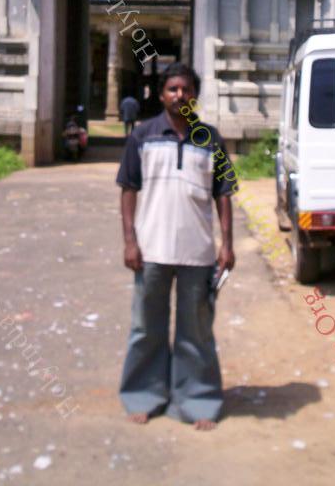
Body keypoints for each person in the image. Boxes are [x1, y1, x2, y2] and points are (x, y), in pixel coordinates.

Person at [116, 63, 236, 430]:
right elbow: (128, 191)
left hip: (197, 253)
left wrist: (226, 244)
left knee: (196, 332)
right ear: (162, 94)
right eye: (172, 89)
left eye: (186, 89)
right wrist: (130, 242)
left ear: (195, 95)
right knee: (146, 329)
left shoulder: (212, 139)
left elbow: (224, 195)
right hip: (151, 251)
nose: (179, 95)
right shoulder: (142, 136)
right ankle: (144, 396)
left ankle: (197, 401)